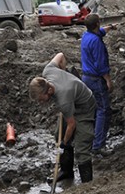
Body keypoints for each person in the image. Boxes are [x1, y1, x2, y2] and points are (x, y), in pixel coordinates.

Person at [29, 53, 96, 183]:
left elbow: (72, 125)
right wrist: (64, 72)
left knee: (82, 145)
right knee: (57, 135)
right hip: (71, 101)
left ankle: (87, 185)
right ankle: (66, 171)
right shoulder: (48, 71)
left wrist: (64, 143)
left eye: (41, 100)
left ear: (48, 91)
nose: (41, 103)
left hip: (84, 106)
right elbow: (60, 55)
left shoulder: (63, 100)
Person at [80, 13, 116, 156]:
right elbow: (101, 65)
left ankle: (92, 139)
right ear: (97, 24)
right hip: (96, 79)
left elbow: (99, 32)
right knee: (103, 110)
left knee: (95, 110)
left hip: (86, 78)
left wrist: (110, 28)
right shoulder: (96, 42)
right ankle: (98, 146)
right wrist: (108, 80)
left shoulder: (86, 36)